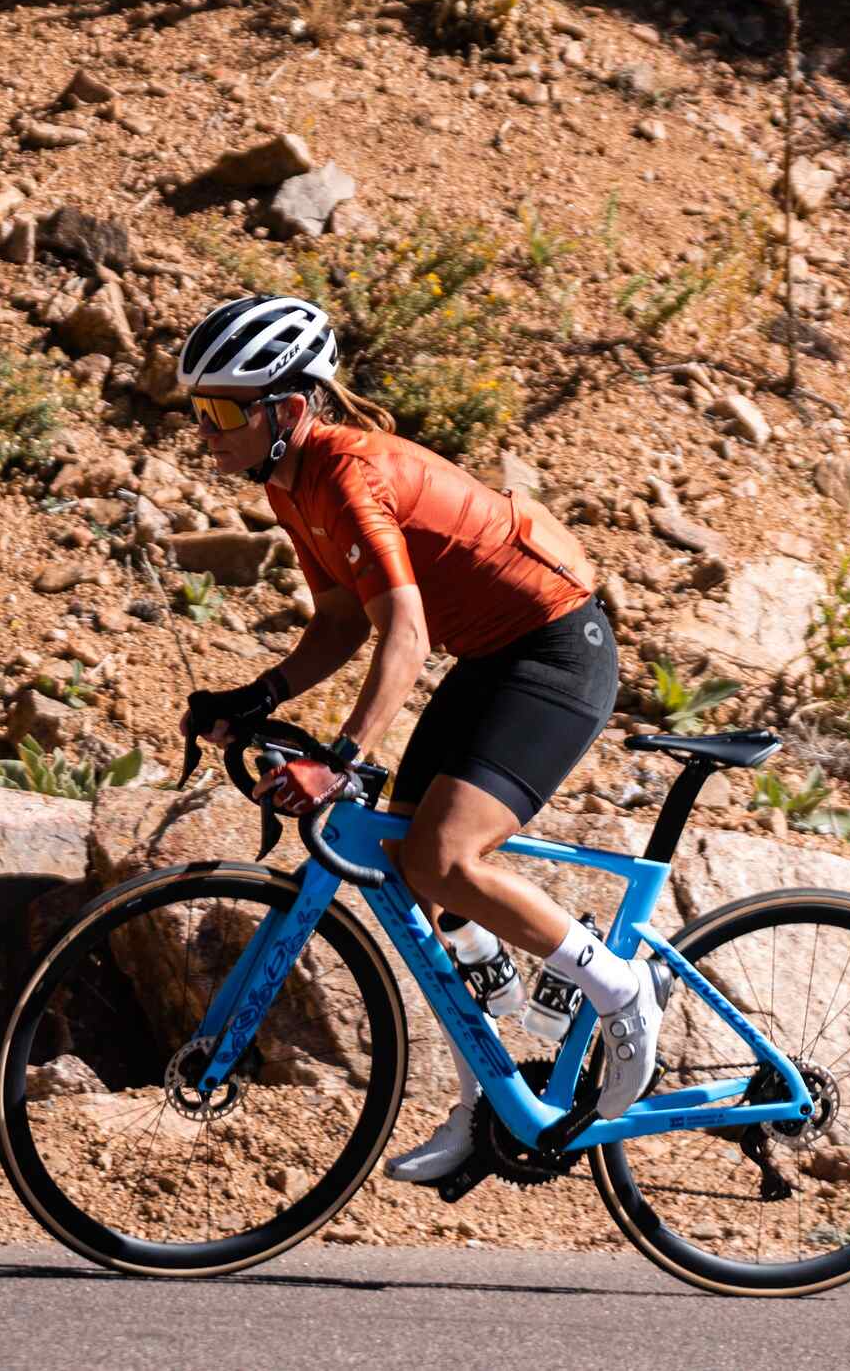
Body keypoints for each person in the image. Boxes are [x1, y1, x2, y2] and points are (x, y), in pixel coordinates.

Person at [169, 293, 658, 1183]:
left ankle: (621, 990)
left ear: (287, 409)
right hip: (493, 656)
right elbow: (341, 624)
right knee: (407, 866)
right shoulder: (290, 482)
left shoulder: (347, 472)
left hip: (553, 651)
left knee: (441, 856)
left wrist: (342, 756)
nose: (205, 430)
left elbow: (404, 633)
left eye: (223, 411)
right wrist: (257, 695)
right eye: (197, 410)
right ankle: (494, 1093)